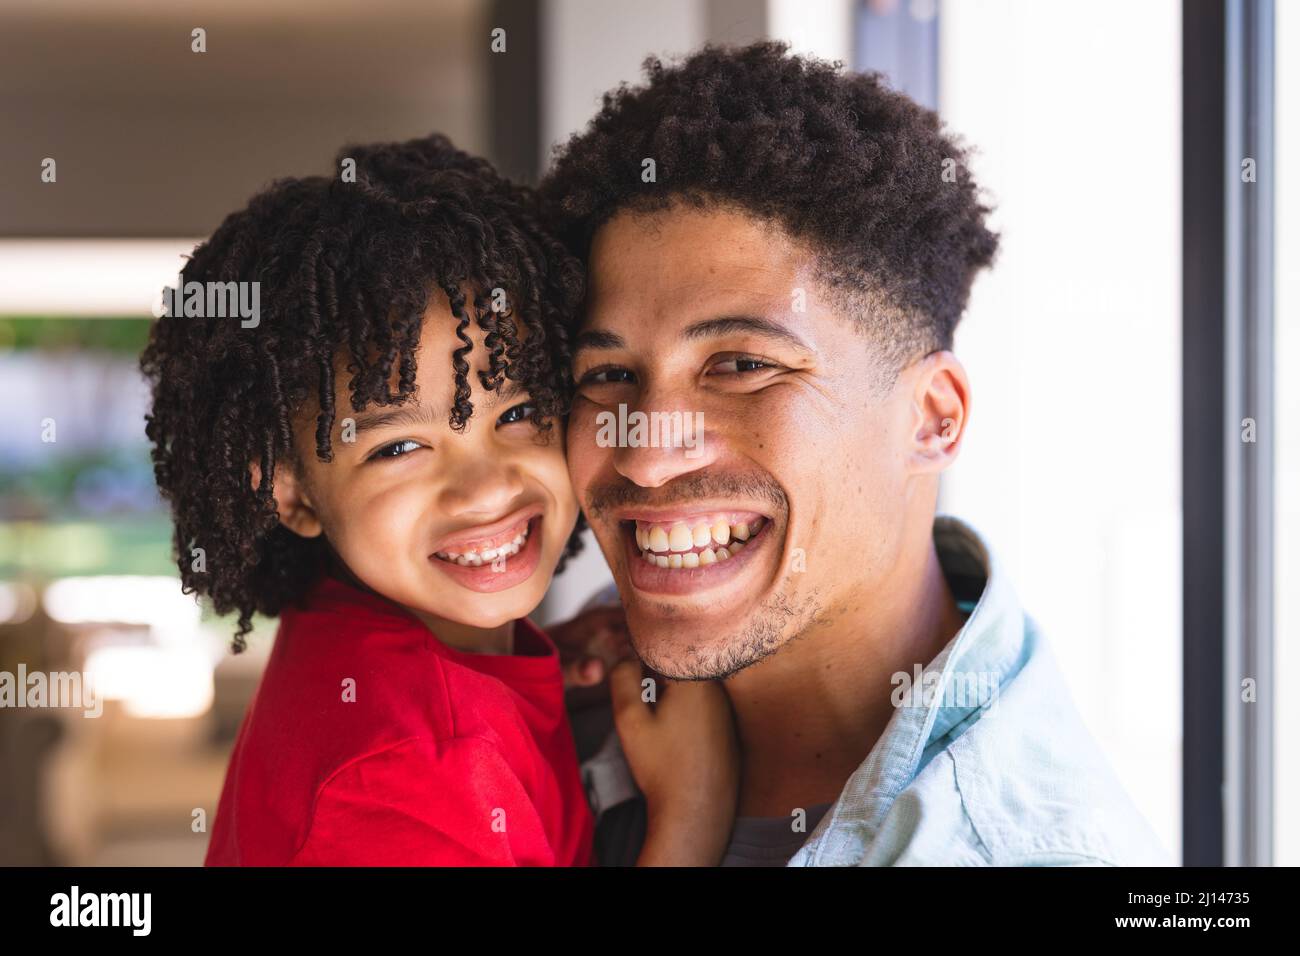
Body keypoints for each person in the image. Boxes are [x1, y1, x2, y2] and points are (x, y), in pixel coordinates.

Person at [542, 42, 1171, 866]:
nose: (647, 456)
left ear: (932, 419)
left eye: (742, 365)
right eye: (608, 375)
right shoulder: (559, 697)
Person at [140, 133, 736, 866]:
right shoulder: (398, 776)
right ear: (291, 493)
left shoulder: (365, 641)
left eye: (519, 413)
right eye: (397, 448)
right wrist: (694, 811)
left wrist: (527, 676)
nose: (485, 486)